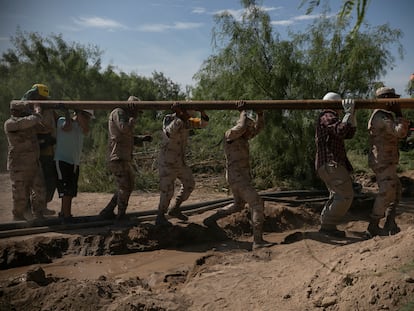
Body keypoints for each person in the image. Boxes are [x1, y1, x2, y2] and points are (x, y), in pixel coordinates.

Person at [218, 102, 271, 250]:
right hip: (237, 177)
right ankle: (258, 241)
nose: (250, 132)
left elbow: (258, 128)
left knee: (238, 205)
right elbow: (241, 127)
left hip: (240, 176)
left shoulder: (243, 137)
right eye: (249, 128)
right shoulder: (230, 134)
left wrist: (260, 114)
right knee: (257, 203)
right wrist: (243, 111)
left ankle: (211, 219)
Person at [155, 102, 209, 226]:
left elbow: (203, 124)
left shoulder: (188, 121)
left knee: (189, 184)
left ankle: (175, 208)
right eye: (189, 114)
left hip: (180, 162)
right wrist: (180, 117)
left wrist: (202, 112)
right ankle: (160, 216)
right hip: (167, 162)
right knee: (167, 191)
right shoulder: (169, 118)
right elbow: (170, 132)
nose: (191, 117)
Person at [99, 96, 152, 221]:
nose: (138, 115)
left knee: (127, 185)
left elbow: (126, 137)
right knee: (125, 187)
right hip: (117, 156)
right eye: (137, 111)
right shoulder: (119, 113)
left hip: (122, 157)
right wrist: (132, 117)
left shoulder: (124, 116)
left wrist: (141, 139)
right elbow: (124, 129)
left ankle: (107, 211)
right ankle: (120, 217)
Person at [366, 87, 409, 236]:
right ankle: (373, 225)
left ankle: (390, 223)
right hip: (383, 160)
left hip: (386, 159)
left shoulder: (384, 115)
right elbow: (400, 132)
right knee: (386, 192)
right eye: (392, 98)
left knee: (396, 191)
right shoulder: (380, 116)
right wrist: (398, 112)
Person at [315, 92, 357, 237]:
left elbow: (349, 133)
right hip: (331, 164)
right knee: (345, 196)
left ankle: (327, 225)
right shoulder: (327, 115)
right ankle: (327, 226)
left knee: (337, 195)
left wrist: (352, 115)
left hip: (328, 165)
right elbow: (341, 130)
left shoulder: (331, 118)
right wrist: (348, 113)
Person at [4, 101, 47, 221]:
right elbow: (28, 122)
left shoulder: (29, 121)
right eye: (22, 112)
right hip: (19, 166)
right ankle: (18, 217)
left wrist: (35, 116)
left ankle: (38, 214)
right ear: (14, 112)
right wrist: (37, 113)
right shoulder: (10, 123)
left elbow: (45, 129)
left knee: (40, 191)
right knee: (20, 195)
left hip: (33, 163)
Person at [22, 84, 57, 215]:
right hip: (35, 151)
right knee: (34, 183)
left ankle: (41, 207)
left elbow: (56, 121)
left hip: (48, 150)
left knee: (49, 181)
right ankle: (31, 210)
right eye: (42, 97)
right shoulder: (28, 110)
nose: (45, 100)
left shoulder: (49, 109)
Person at [54, 108, 94, 223]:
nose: (88, 120)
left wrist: (80, 117)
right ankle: (66, 216)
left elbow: (86, 130)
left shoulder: (81, 127)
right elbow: (67, 127)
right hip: (62, 160)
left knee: (71, 190)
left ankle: (64, 213)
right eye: (86, 117)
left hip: (74, 162)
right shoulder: (63, 120)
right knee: (66, 190)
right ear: (80, 115)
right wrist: (67, 113)